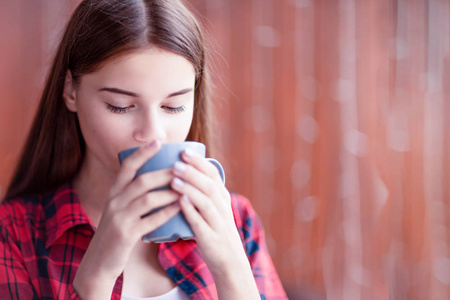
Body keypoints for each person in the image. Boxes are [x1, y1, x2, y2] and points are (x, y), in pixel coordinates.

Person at [0, 1, 287, 299]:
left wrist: (231, 269)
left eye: (173, 106)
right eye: (120, 106)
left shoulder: (237, 220)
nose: (153, 134)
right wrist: (96, 278)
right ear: (71, 90)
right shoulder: (13, 234)